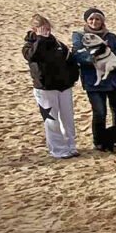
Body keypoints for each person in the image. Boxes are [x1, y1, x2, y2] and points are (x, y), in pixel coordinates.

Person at [72, 8, 116, 152]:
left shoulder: (111, 37)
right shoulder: (80, 37)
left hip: (114, 80)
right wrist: (97, 57)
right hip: (94, 81)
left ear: (102, 21)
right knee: (100, 112)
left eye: (97, 19)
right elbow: (78, 56)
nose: (94, 22)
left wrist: (115, 64)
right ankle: (99, 140)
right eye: (91, 19)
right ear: (86, 21)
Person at [24, 14, 79, 159]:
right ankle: (58, 149)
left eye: (48, 29)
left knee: (67, 118)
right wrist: (41, 39)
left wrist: (72, 78)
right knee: (51, 120)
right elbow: (32, 56)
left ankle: (71, 145)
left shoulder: (58, 44)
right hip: (45, 88)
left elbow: (70, 61)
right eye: (42, 29)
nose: (46, 32)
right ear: (34, 29)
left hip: (63, 86)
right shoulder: (30, 46)